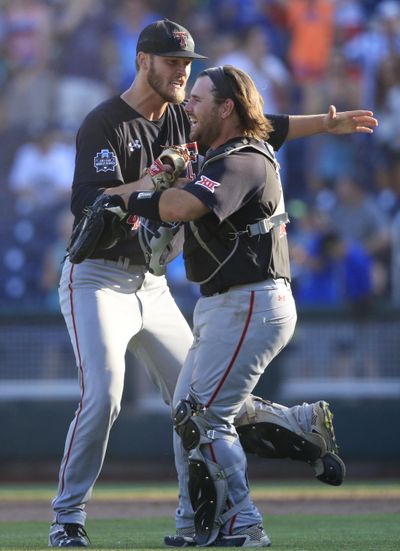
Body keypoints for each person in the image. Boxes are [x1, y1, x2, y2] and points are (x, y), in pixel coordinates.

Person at [49, 18, 378, 548]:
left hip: (152, 283)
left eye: (188, 64)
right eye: (173, 62)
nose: (183, 71)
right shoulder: (105, 122)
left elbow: (258, 124)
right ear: (143, 61)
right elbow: (91, 202)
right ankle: (67, 517)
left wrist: (327, 122)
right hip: (98, 277)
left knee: (199, 406)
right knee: (105, 395)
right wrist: (153, 183)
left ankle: (282, 440)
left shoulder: (188, 118)